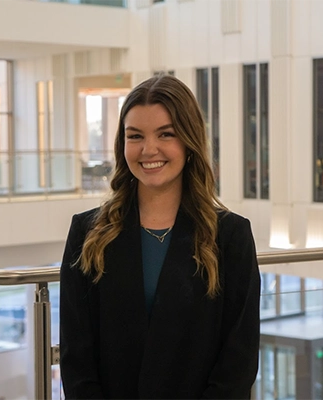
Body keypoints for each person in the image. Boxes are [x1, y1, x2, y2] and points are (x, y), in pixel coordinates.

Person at [60, 74, 261, 400]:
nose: (148, 149)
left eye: (165, 134)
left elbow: (238, 360)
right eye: (135, 136)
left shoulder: (231, 236)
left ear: (189, 141)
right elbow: (76, 358)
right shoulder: (87, 233)